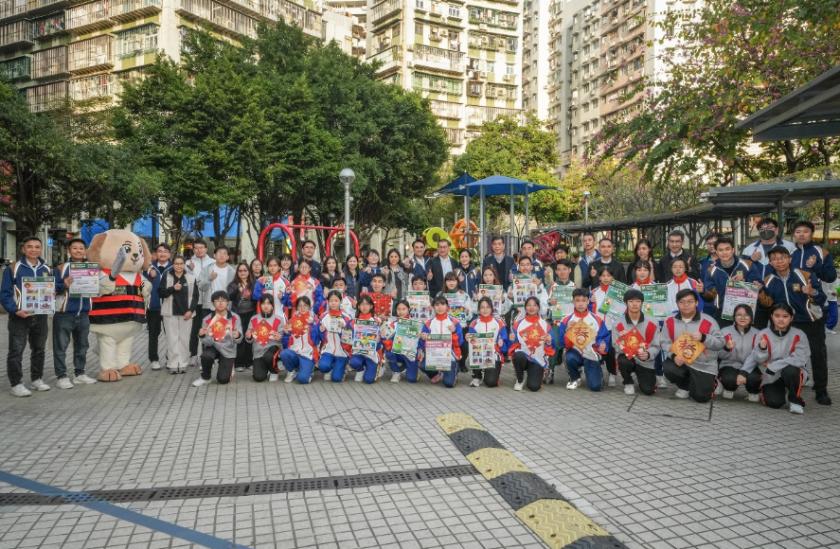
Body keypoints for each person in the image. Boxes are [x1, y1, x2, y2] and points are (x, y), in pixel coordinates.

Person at [758, 245, 830, 405]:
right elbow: (768, 305)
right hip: (785, 326)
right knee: (785, 356)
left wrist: (812, 292)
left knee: (818, 355)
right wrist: (760, 293)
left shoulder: (805, 275)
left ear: (789, 259)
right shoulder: (768, 280)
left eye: (782, 257)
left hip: (809, 322)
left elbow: (822, 298)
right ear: (770, 262)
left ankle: (821, 390)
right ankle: (787, 385)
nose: (779, 261)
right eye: (774, 259)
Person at [1, 236, 53, 396]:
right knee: (16, 350)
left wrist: (62, 285)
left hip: (41, 315)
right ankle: (16, 384)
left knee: (39, 349)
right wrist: (15, 310)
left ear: (41, 249)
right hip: (19, 316)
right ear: (23, 249)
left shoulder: (47, 268)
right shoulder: (13, 268)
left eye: (37, 247)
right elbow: (5, 294)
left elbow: (52, 289)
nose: (33, 249)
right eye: (29, 246)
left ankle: (37, 379)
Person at [739, 303, 810, 414]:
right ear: (771, 316)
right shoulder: (763, 334)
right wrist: (762, 349)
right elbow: (756, 358)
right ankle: (774, 390)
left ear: (791, 318)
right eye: (777, 316)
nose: (781, 319)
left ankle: (795, 400)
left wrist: (774, 365)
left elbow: (800, 359)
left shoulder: (799, 335)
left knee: (791, 370)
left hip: (791, 372)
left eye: (785, 316)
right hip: (771, 375)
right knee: (774, 403)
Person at [660, 289, 724, 402]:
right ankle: (685, 386)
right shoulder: (669, 321)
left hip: (703, 364)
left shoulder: (709, 321)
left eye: (690, 301)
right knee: (668, 368)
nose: (686, 305)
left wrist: (704, 338)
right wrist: (673, 356)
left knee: (701, 398)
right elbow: (664, 342)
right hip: (682, 361)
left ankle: (713, 381)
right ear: (677, 304)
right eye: (682, 302)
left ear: (697, 303)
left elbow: (720, 343)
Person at [52, 238, 96, 388]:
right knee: (61, 346)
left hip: (83, 314)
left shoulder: (91, 268)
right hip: (64, 314)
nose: (78, 251)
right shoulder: (60, 268)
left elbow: (100, 286)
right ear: (69, 251)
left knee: (82, 346)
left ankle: (80, 374)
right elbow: (49, 288)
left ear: (85, 251)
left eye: (81, 248)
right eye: (75, 248)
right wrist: (63, 284)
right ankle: (61, 376)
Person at [555, 289, 610, 391]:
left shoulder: (597, 319)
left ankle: (597, 372)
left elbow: (604, 337)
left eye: (584, 300)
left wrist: (602, 345)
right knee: (569, 357)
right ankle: (575, 377)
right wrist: (568, 331)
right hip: (575, 352)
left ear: (588, 301)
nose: (580, 304)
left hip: (591, 353)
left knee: (596, 387)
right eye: (577, 300)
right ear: (573, 301)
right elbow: (562, 343)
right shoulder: (567, 320)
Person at [613, 289, 660, 395]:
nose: (634, 304)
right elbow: (615, 346)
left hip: (645, 361)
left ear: (642, 303)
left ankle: (640, 374)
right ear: (625, 303)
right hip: (628, 358)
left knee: (648, 391)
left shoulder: (652, 322)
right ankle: (628, 381)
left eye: (638, 301)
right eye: (631, 301)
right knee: (623, 361)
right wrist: (622, 341)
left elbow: (656, 345)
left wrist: (648, 354)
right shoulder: (618, 323)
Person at [192, 291, 243, 387]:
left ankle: (229, 365)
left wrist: (237, 335)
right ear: (213, 303)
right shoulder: (207, 319)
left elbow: (239, 340)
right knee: (206, 356)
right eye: (217, 301)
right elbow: (206, 343)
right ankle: (205, 378)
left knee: (223, 380)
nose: (220, 303)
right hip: (213, 346)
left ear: (228, 302)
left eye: (223, 300)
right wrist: (202, 336)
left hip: (228, 349)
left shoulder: (235, 318)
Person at [159, 255, 199, 374]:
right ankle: (172, 364)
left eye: (181, 263)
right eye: (176, 263)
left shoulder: (191, 277)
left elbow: (195, 296)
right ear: (173, 264)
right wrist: (172, 288)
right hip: (170, 313)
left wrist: (190, 311)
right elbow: (161, 293)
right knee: (172, 339)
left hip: (186, 314)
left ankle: (182, 364)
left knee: (184, 339)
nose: (179, 266)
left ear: (184, 264)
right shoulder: (167, 275)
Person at [701, 237, 752, 326]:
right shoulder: (711, 270)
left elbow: (757, 286)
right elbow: (710, 296)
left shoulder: (747, 265)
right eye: (720, 250)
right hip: (722, 313)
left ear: (733, 250)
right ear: (716, 252)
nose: (724, 252)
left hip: (746, 312)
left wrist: (744, 283)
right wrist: (702, 291)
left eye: (727, 249)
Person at [418, 295, 464, 388]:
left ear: (447, 306)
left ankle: (455, 369)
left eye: (443, 304)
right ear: (433, 307)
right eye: (437, 304)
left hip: (449, 357)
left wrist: (454, 332)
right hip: (434, 356)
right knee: (421, 364)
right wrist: (423, 338)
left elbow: (460, 342)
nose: (440, 307)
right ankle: (437, 374)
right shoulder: (428, 323)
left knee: (449, 384)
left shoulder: (454, 322)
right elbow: (421, 344)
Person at [718, 304, 761, 401]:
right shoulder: (725, 331)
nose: (742, 318)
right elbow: (719, 355)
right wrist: (726, 348)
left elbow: (758, 357)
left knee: (755, 379)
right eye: (739, 315)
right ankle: (728, 387)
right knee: (729, 380)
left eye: (746, 315)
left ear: (751, 317)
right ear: (734, 317)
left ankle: (753, 391)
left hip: (750, 367)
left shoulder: (758, 334)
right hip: (729, 365)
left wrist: (743, 372)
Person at [466, 297, 509, 388]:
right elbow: (471, 343)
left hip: (493, 354)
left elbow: (505, 343)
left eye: (488, 307)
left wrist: (501, 343)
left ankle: (487, 373)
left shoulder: (499, 323)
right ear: (478, 310)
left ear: (492, 309)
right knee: (474, 352)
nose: (485, 310)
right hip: (479, 353)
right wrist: (468, 338)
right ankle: (477, 376)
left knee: (491, 382)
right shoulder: (474, 323)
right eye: (482, 307)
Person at [279, 295, 321, 384]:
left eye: (305, 305)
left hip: (307, 354)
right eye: (300, 305)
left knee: (302, 379)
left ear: (309, 307)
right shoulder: (292, 320)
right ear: (297, 307)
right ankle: (291, 371)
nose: (302, 308)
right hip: (295, 351)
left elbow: (317, 340)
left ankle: (309, 370)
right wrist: (286, 333)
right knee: (284, 354)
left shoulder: (314, 320)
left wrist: (312, 326)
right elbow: (285, 340)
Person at [144, 242, 172, 370]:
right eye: (160, 251)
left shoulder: (174, 267)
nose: (162, 253)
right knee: (153, 334)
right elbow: (141, 283)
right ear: (156, 253)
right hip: (154, 307)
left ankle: (170, 357)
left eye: (165, 251)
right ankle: (154, 359)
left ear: (169, 254)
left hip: (170, 307)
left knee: (171, 334)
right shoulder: (148, 268)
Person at [186, 239, 215, 365]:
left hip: (208, 301)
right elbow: (190, 281)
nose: (199, 250)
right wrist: (191, 270)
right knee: (194, 329)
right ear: (193, 249)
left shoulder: (213, 262)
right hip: (195, 302)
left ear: (206, 249)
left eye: (201, 247)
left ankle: (206, 355)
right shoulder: (188, 263)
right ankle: (193, 354)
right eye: (196, 248)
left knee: (207, 329)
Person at [317, 290, 354, 382]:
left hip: (342, 352)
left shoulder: (346, 317)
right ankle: (330, 367)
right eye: (331, 301)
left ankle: (342, 368)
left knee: (336, 378)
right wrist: (321, 331)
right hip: (328, 350)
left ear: (340, 301)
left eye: (336, 300)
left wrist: (344, 329)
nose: (333, 303)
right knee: (323, 367)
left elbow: (351, 336)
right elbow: (320, 337)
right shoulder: (323, 316)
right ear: (328, 302)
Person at [246, 295, 284, 382]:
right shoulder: (254, 319)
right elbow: (249, 339)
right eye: (263, 303)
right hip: (258, 351)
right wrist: (249, 336)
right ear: (260, 305)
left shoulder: (279, 319)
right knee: (258, 377)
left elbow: (282, 337)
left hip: (273, 349)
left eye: (268, 303)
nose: (266, 306)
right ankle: (266, 367)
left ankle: (274, 371)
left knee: (268, 356)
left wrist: (279, 337)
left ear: (272, 306)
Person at [227, 261, 257, 372]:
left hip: (251, 313)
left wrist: (250, 294)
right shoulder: (233, 284)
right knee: (239, 338)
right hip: (237, 314)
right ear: (237, 272)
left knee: (249, 337)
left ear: (249, 272)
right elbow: (229, 296)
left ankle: (249, 362)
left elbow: (257, 297)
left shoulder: (253, 283)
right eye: (240, 271)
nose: (243, 272)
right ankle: (238, 363)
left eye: (245, 270)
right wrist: (237, 289)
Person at [198, 246, 235, 331]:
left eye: (224, 253)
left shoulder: (232, 271)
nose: (222, 255)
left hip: (226, 308)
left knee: (224, 332)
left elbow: (234, 290)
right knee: (208, 332)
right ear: (214, 255)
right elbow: (201, 286)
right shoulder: (207, 269)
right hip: (209, 306)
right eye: (219, 253)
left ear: (228, 257)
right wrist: (209, 278)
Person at [348, 295, 383, 384]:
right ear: (358, 306)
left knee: (368, 380)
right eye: (362, 304)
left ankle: (376, 366)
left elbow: (380, 344)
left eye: (367, 304)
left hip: (371, 354)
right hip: (358, 352)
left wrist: (378, 340)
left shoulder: (376, 321)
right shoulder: (353, 322)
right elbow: (348, 339)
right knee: (354, 362)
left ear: (371, 306)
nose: (364, 307)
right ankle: (360, 370)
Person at [383, 300, 420, 383]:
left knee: (411, 379)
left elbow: (420, 341)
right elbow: (386, 338)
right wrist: (384, 337)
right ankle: (396, 372)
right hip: (398, 352)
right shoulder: (393, 324)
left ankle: (410, 368)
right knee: (389, 353)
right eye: (399, 309)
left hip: (410, 354)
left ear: (408, 309)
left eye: (404, 309)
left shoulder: (415, 323)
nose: (401, 311)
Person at [508, 255, 549, 321]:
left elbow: (544, 307)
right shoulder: (513, 285)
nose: (525, 267)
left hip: (535, 319)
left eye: (527, 264)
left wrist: (538, 288)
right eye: (522, 265)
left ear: (531, 267)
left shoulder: (538, 283)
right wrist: (510, 298)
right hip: (519, 319)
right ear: (518, 267)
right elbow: (507, 307)